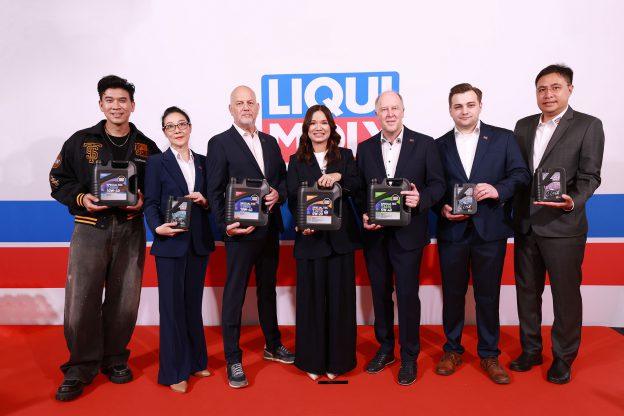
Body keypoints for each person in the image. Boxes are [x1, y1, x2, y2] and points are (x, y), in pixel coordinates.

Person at [49, 75, 160, 401]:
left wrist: (144, 200)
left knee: (125, 300)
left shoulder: (146, 146)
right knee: (81, 301)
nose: (116, 106)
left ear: (132, 106)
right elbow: (57, 179)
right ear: (101, 104)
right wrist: (82, 198)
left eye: (122, 100)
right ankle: (79, 366)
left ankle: (114, 358)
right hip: (90, 228)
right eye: (110, 100)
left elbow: (158, 188)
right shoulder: (80, 141)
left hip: (130, 229)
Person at [511, 64, 604, 384]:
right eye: (542, 89)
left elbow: (590, 176)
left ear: (569, 90)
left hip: (564, 226)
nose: (548, 94)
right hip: (526, 225)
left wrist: (572, 200)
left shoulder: (588, 126)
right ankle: (531, 350)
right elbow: (519, 174)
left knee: (565, 296)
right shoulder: (523, 126)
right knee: (527, 293)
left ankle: (563, 357)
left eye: (555, 88)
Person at [434, 83, 530, 384]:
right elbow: (432, 186)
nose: (464, 111)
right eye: (458, 106)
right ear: (450, 110)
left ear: (480, 106)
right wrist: (441, 208)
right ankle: (452, 349)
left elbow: (521, 174)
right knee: (452, 294)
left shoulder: (503, 138)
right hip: (452, 230)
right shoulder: (437, 145)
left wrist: (498, 189)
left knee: (488, 296)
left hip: (490, 229)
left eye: (470, 104)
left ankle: (489, 354)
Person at [206, 85, 294, 388]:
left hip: (269, 229)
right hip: (240, 232)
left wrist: (278, 194)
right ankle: (233, 358)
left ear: (257, 107)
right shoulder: (219, 143)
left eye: (250, 102)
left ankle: (273, 344)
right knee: (235, 294)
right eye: (239, 103)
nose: (245, 107)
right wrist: (224, 226)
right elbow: (214, 190)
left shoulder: (270, 142)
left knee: (267, 289)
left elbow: (282, 180)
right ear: (231, 109)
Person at [356, 90, 445, 386]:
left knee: (407, 296)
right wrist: (365, 214)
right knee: (380, 295)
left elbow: (438, 184)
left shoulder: (425, 144)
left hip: (409, 235)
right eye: (384, 109)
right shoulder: (365, 148)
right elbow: (359, 191)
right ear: (376, 115)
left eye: (395, 108)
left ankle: (409, 355)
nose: (390, 113)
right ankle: (385, 349)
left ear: (403, 111)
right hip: (376, 236)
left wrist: (421, 199)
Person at [144, 106, 215, 393]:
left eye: (181, 124)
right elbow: (150, 202)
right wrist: (156, 227)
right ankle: (174, 371)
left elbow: (213, 200)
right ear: (164, 131)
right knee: (172, 309)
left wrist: (205, 201)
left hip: (198, 242)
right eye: (171, 126)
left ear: (190, 127)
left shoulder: (204, 162)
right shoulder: (156, 163)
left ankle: (196, 361)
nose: (177, 130)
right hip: (170, 243)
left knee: (192, 306)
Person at [286, 105, 360, 381]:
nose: (318, 127)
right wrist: (301, 222)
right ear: (306, 129)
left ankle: (339, 362)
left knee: (341, 304)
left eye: (324, 122)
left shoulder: (346, 156)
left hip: (340, 241)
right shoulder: (295, 161)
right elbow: (292, 198)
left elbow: (357, 186)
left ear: (331, 127)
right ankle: (312, 361)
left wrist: (339, 177)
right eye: (313, 123)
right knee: (311, 304)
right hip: (310, 241)